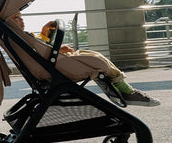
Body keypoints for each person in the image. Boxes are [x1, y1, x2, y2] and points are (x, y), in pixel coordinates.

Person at [11, 12, 160, 107]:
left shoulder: (18, 38)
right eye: (17, 17)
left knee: (90, 54)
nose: (22, 20)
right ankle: (127, 92)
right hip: (53, 68)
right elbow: (39, 53)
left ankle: (124, 90)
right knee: (98, 62)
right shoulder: (20, 38)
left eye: (21, 16)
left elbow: (38, 50)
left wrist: (45, 34)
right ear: (8, 21)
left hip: (51, 64)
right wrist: (59, 50)